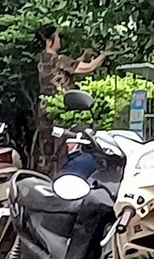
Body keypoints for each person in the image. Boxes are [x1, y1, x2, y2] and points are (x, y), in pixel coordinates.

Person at [33, 25, 107, 172]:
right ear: (49, 41)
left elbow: (68, 67)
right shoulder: (58, 59)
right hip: (62, 109)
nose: (59, 40)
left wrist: (83, 55)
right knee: (64, 144)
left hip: (44, 108)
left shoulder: (42, 60)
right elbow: (88, 68)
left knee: (47, 146)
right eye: (57, 36)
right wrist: (105, 54)